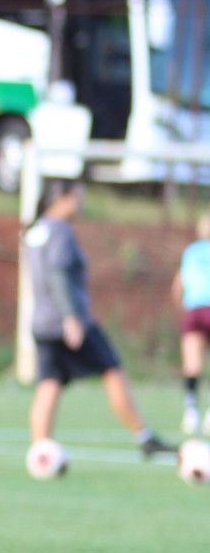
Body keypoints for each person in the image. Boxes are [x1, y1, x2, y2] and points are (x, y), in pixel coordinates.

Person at [24, 179, 175, 458]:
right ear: (62, 198)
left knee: (50, 382)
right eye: (77, 197)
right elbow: (58, 275)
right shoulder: (60, 232)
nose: (81, 204)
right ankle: (145, 438)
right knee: (112, 369)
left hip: (42, 321)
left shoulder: (37, 231)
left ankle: (40, 451)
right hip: (69, 321)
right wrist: (71, 316)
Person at [172, 212, 210, 436]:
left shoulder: (192, 252)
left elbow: (178, 287)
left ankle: (191, 412)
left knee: (192, 365)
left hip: (194, 311)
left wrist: (183, 307)